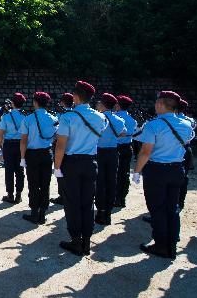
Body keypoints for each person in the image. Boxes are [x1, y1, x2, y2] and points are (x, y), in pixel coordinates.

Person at [132, 91, 195, 260]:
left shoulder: (153, 125)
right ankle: (172, 244)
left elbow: (145, 152)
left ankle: (161, 245)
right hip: (177, 168)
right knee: (172, 208)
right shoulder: (186, 124)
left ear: (160, 104)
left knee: (157, 209)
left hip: (157, 170)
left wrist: (137, 171)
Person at [54, 81, 108, 256]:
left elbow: (61, 146)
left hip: (71, 163)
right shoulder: (100, 117)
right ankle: (86, 241)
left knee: (72, 203)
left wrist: (56, 167)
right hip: (91, 162)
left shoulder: (68, 117)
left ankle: (76, 240)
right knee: (87, 202)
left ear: (76, 96)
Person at [19, 91, 58, 224]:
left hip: (32, 154)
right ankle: (43, 213)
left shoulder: (28, 119)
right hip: (47, 153)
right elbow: (56, 138)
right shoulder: (54, 119)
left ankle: (34, 212)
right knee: (45, 184)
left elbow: (23, 141)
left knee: (34, 184)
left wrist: (23, 158)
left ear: (35, 102)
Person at [94, 93, 127, 226]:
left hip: (99, 152)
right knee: (111, 182)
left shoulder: (97, 119)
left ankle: (100, 211)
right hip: (113, 153)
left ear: (102, 104)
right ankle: (108, 212)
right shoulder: (119, 120)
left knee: (100, 183)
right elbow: (123, 134)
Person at [0, 93, 28, 203]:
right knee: (20, 170)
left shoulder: (6, 117)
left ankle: (10, 194)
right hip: (21, 145)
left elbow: (0, 134)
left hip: (9, 145)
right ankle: (18, 194)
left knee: (9, 170)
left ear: (13, 103)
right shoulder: (26, 116)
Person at [50, 92, 74, 205]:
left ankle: (62, 195)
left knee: (59, 170)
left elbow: (55, 131)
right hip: (74, 146)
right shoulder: (77, 114)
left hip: (60, 144)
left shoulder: (60, 115)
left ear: (62, 102)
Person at [113, 95, 137, 208]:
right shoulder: (132, 120)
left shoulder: (115, 118)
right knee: (124, 173)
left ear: (118, 105)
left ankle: (114, 197)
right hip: (127, 147)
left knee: (113, 173)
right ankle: (121, 198)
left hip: (115, 148)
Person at [175, 98, 197, 209]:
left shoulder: (174, 120)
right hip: (187, 149)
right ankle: (180, 202)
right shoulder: (191, 121)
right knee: (184, 176)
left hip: (174, 150)